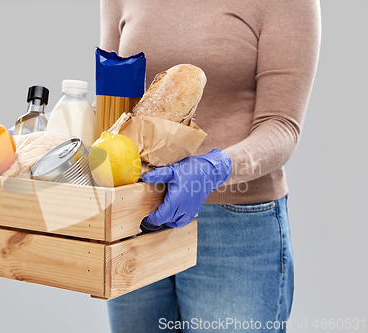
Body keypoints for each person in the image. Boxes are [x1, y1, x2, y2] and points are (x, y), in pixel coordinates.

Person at [99, 0, 321, 332]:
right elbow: (114, 102)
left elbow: (282, 125)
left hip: (235, 227)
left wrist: (216, 167)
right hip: (137, 217)